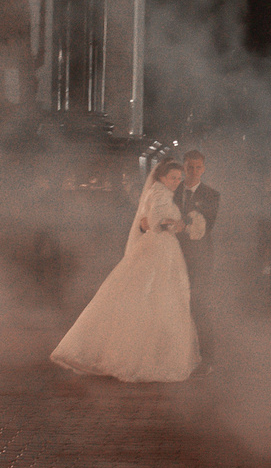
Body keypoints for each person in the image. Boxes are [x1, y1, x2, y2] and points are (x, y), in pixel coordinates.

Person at [51, 157, 199, 382]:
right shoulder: (159, 193)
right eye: (173, 177)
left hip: (159, 248)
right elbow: (156, 221)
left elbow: (149, 220)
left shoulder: (160, 192)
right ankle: (144, 357)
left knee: (146, 297)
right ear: (161, 177)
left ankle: (144, 353)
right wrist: (177, 225)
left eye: (179, 178)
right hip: (159, 249)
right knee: (155, 297)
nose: (177, 182)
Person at [173, 150, 221, 370]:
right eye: (189, 167)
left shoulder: (212, 194)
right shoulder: (170, 191)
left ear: (204, 168)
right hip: (172, 256)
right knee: (174, 305)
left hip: (199, 260)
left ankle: (207, 358)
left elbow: (205, 227)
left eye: (198, 167)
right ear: (183, 167)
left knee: (200, 305)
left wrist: (179, 226)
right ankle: (176, 353)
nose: (193, 171)